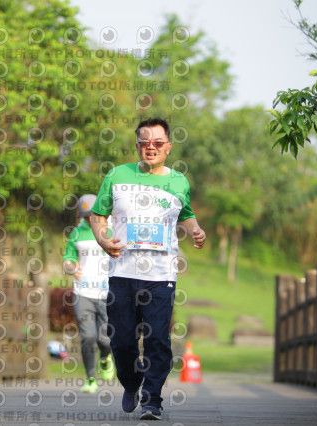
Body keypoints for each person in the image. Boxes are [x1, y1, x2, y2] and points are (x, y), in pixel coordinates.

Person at [90, 118, 206, 420]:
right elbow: (98, 215)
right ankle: (131, 383)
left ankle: (152, 399)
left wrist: (195, 230)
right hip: (122, 273)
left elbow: (187, 214)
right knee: (123, 340)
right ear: (137, 145)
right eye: (144, 142)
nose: (150, 148)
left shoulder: (179, 181)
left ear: (167, 146)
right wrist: (103, 241)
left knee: (157, 338)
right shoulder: (117, 175)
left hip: (161, 275)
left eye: (157, 143)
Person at [62, 194, 115, 393]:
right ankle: (91, 378)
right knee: (88, 336)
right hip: (82, 292)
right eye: (85, 217)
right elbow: (68, 258)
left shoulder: (111, 230)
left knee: (105, 339)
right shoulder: (76, 233)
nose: (88, 221)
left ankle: (105, 357)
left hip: (107, 292)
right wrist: (70, 268)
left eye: (91, 216)